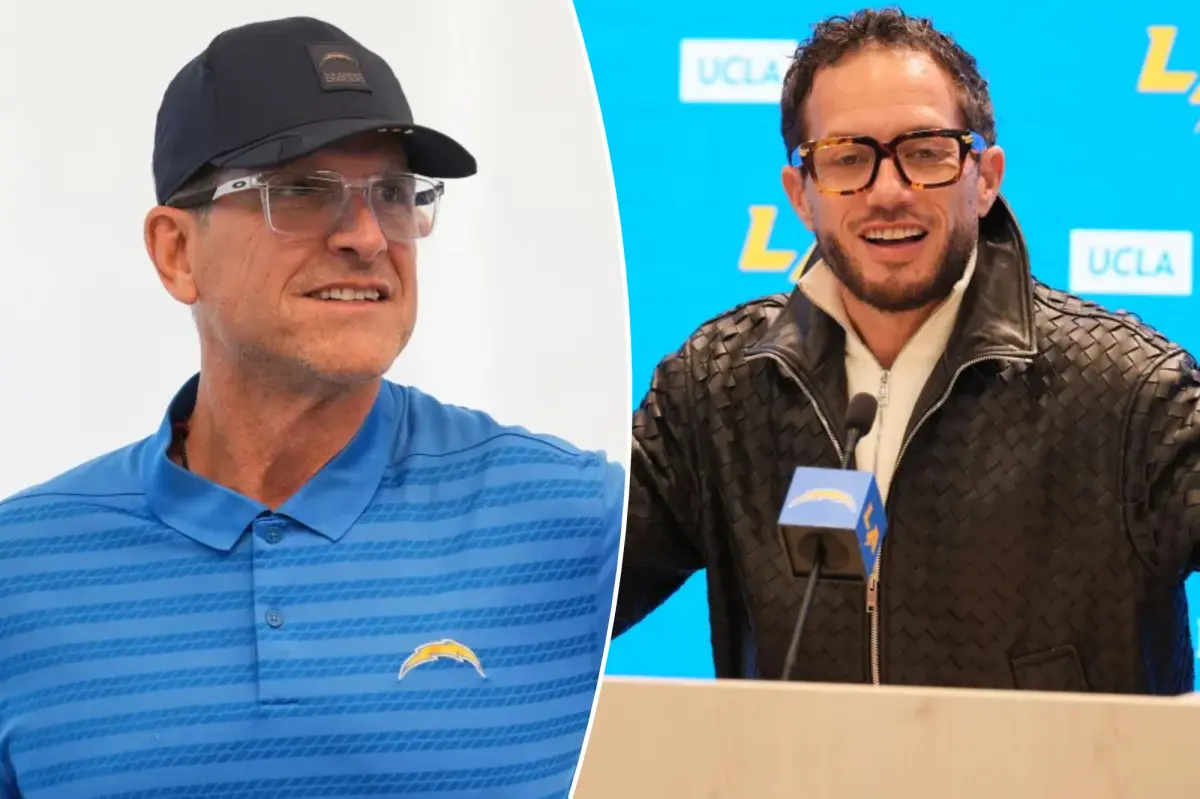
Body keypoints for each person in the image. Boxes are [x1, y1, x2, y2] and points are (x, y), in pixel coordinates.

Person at [0, 17, 623, 798]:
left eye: (393, 195)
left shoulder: (580, 522)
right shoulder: (19, 570)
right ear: (176, 252)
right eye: (298, 191)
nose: (366, 236)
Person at [615, 7, 1200, 694]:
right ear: (801, 194)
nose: (887, 192)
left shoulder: (1127, 389)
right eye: (847, 159)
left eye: (926, 152)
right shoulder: (716, 388)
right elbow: (563, 587)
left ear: (983, 178)